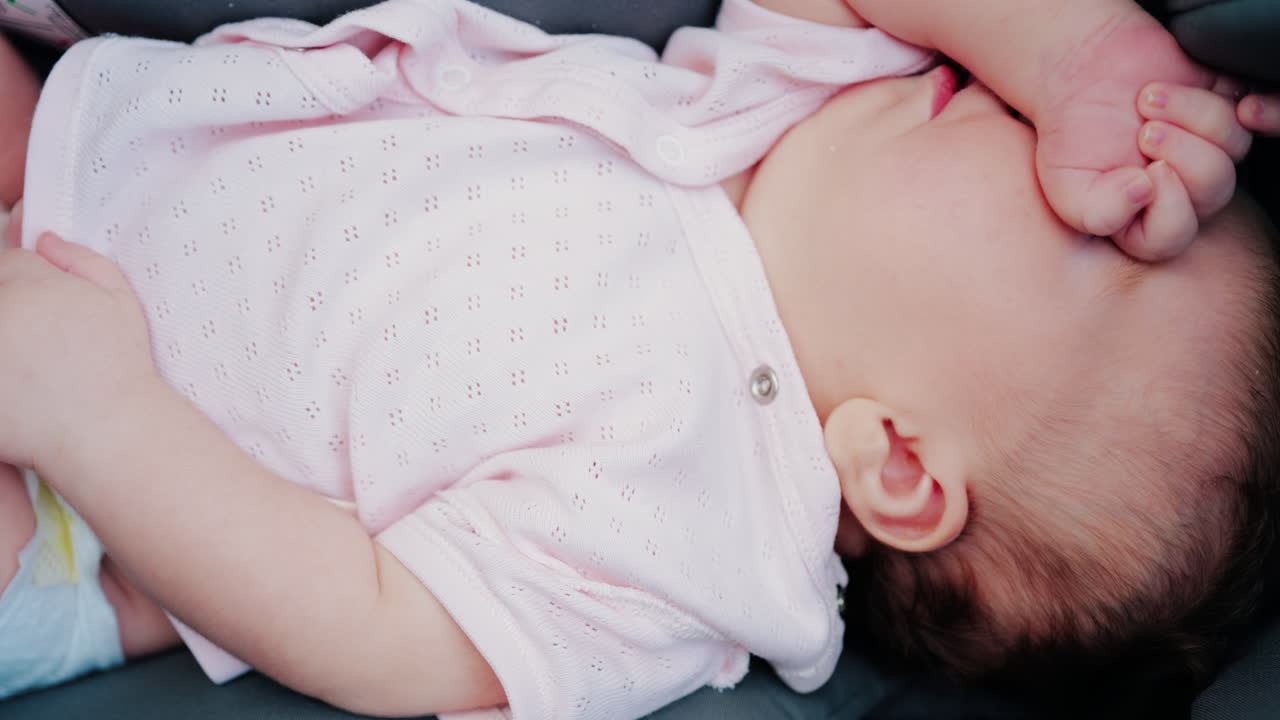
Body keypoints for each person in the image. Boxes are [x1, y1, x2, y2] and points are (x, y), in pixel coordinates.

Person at [0, 0, 1278, 717]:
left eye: (1098, 237)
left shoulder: (695, 540)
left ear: (898, 463)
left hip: (83, 495)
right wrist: (1069, 56)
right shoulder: (781, 113)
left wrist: (99, 418)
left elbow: (385, 631)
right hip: (89, 139)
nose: (1084, 170)